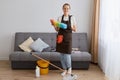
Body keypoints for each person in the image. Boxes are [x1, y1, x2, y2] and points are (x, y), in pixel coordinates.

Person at [52, 3, 77, 76]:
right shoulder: (59, 18)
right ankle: (64, 69)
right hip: (60, 38)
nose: (66, 10)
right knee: (62, 55)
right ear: (62, 9)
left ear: (69, 9)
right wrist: (54, 25)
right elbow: (57, 29)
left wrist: (67, 26)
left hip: (68, 38)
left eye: (67, 8)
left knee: (67, 54)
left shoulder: (72, 18)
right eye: (64, 8)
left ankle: (69, 68)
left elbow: (75, 29)